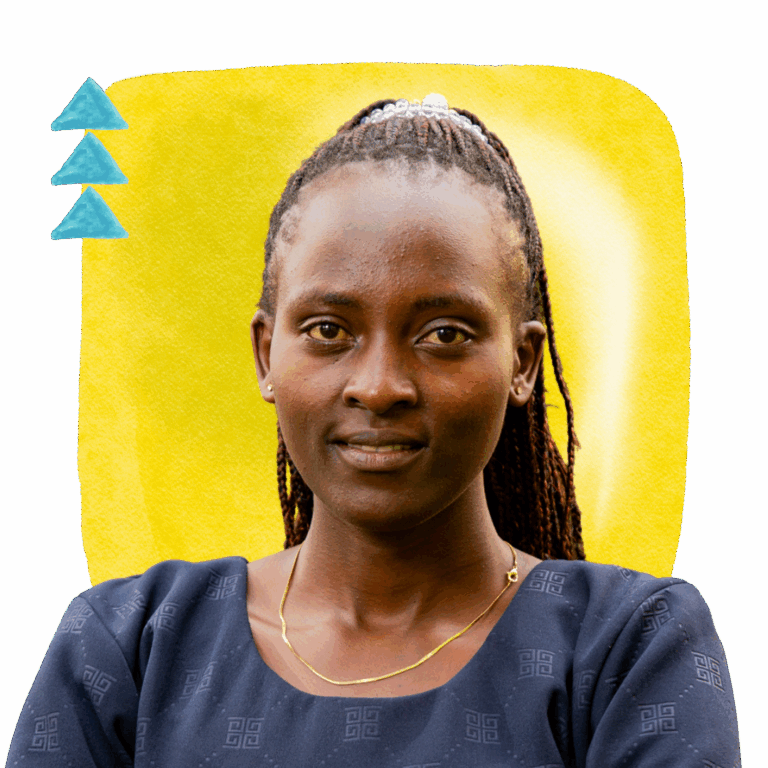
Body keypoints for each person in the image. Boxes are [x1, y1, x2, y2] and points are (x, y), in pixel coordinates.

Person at [7, 94, 739, 767]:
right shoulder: (131, 645)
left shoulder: (630, 649)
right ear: (266, 355)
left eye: (445, 334)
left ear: (521, 363)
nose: (381, 386)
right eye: (329, 330)